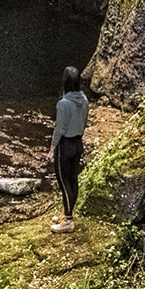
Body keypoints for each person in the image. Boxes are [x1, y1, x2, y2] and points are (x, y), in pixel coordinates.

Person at [49, 65, 89, 232]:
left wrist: (52, 149)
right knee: (73, 179)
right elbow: (84, 123)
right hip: (78, 143)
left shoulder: (63, 104)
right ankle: (69, 213)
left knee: (63, 182)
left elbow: (59, 129)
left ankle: (68, 221)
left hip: (65, 145)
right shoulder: (85, 100)